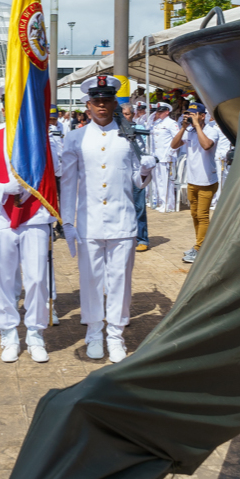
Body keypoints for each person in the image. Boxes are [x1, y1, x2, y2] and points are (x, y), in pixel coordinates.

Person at [60, 75, 156, 363]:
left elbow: (137, 182)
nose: (102, 106)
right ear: (87, 105)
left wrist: (145, 171)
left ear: (114, 103)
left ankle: (115, 334)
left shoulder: (129, 135)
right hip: (89, 222)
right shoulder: (75, 137)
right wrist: (67, 222)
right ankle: (93, 333)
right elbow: (68, 182)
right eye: (96, 102)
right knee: (90, 280)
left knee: (119, 281)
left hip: (122, 221)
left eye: (106, 101)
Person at [0, 91, 55, 364]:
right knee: (4, 279)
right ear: (3, 105)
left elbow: (59, 173)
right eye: (11, 103)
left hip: (36, 215)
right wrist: (2, 189)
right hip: (0, 218)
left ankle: (34, 332)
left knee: (36, 279)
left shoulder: (42, 137)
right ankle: (8, 333)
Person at [170, 101, 221, 263]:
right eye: (189, 114)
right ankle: (200, 245)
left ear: (203, 116)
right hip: (192, 180)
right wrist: (184, 127)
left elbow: (206, 145)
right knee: (194, 215)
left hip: (207, 180)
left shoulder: (211, 131)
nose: (191, 117)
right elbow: (174, 145)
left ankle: (200, 248)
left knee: (203, 215)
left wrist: (198, 126)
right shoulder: (189, 131)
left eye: (194, 114)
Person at [121, 103, 150, 252]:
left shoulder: (140, 130)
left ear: (133, 115)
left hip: (137, 172)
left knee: (139, 207)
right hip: (121, 175)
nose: (125, 117)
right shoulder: (116, 132)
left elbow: (144, 150)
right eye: (123, 114)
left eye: (128, 114)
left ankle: (142, 238)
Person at [150, 102, 179, 213]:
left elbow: (177, 139)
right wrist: (152, 116)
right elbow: (148, 125)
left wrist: (170, 153)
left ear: (167, 112)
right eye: (158, 111)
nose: (159, 113)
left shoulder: (172, 123)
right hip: (157, 156)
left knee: (167, 182)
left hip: (167, 157)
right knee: (159, 181)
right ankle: (162, 202)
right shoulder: (157, 123)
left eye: (161, 111)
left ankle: (168, 204)